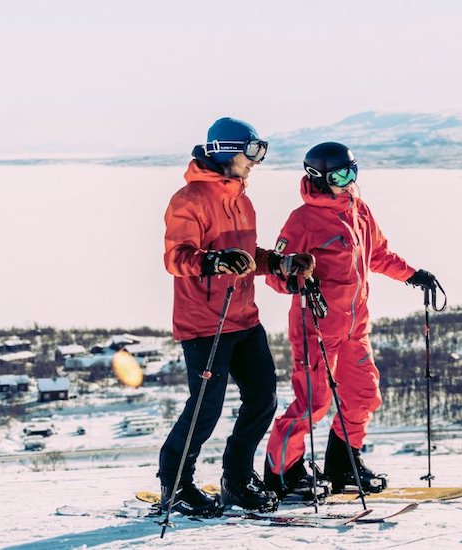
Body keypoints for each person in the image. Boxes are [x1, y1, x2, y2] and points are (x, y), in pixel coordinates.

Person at [262, 141, 439, 500]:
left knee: (363, 395)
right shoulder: (302, 220)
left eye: (353, 171)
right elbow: (275, 275)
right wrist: (293, 273)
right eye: (341, 174)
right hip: (316, 327)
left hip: (355, 325)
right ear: (319, 177)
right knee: (313, 404)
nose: (349, 180)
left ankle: (343, 465)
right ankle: (282, 474)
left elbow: (377, 254)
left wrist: (412, 275)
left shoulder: (359, 210)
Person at [158, 117, 314, 515]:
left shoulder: (242, 199)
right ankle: (176, 486)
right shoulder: (188, 199)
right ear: (227, 151)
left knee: (262, 399)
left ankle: (237, 478)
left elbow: (246, 256)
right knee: (205, 408)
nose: (256, 162)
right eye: (252, 152)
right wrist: (212, 260)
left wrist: (279, 262)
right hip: (204, 324)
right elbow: (176, 258)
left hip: (244, 317)